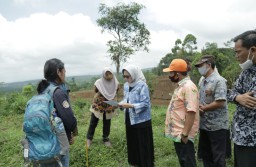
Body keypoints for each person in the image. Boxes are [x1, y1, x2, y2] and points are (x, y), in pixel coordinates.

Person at [37, 58, 78, 167]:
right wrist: (71, 133)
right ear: (58, 72)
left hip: (43, 144)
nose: (65, 73)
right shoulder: (57, 92)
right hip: (58, 145)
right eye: (64, 71)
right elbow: (69, 120)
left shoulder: (43, 91)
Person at [163, 59, 199, 167]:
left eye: (171, 73)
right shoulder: (181, 86)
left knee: (188, 162)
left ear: (177, 74)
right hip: (179, 133)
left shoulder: (188, 87)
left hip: (183, 134)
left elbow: (191, 111)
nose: (169, 75)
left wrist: (185, 134)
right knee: (184, 161)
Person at [227, 30, 256, 167]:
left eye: (238, 52)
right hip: (241, 138)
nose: (236, 56)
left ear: (253, 50)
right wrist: (238, 97)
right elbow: (231, 92)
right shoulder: (246, 72)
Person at [195, 55, 229, 167]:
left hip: (217, 126)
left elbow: (220, 102)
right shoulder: (202, 80)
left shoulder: (219, 81)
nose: (199, 68)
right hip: (204, 125)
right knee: (206, 155)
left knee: (218, 157)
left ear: (209, 65)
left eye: (201, 65)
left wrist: (203, 108)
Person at [118, 64, 154, 167]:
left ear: (134, 74)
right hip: (130, 119)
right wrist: (120, 104)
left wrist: (130, 105)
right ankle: (135, 163)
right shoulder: (126, 86)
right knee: (133, 143)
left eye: (128, 76)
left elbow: (145, 103)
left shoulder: (142, 85)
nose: (126, 79)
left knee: (143, 145)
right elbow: (126, 99)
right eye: (124, 76)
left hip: (142, 121)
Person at [86, 67, 119, 147]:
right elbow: (95, 91)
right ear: (104, 75)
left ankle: (106, 138)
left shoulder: (116, 82)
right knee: (93, 121)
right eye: (106, 74)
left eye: (110, 73)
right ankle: (89, 138)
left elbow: (116, 91)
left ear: (112, 73)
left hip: (109, 104)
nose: (108, 76)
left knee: (107, 122)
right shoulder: (98, 82)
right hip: (99, 104)